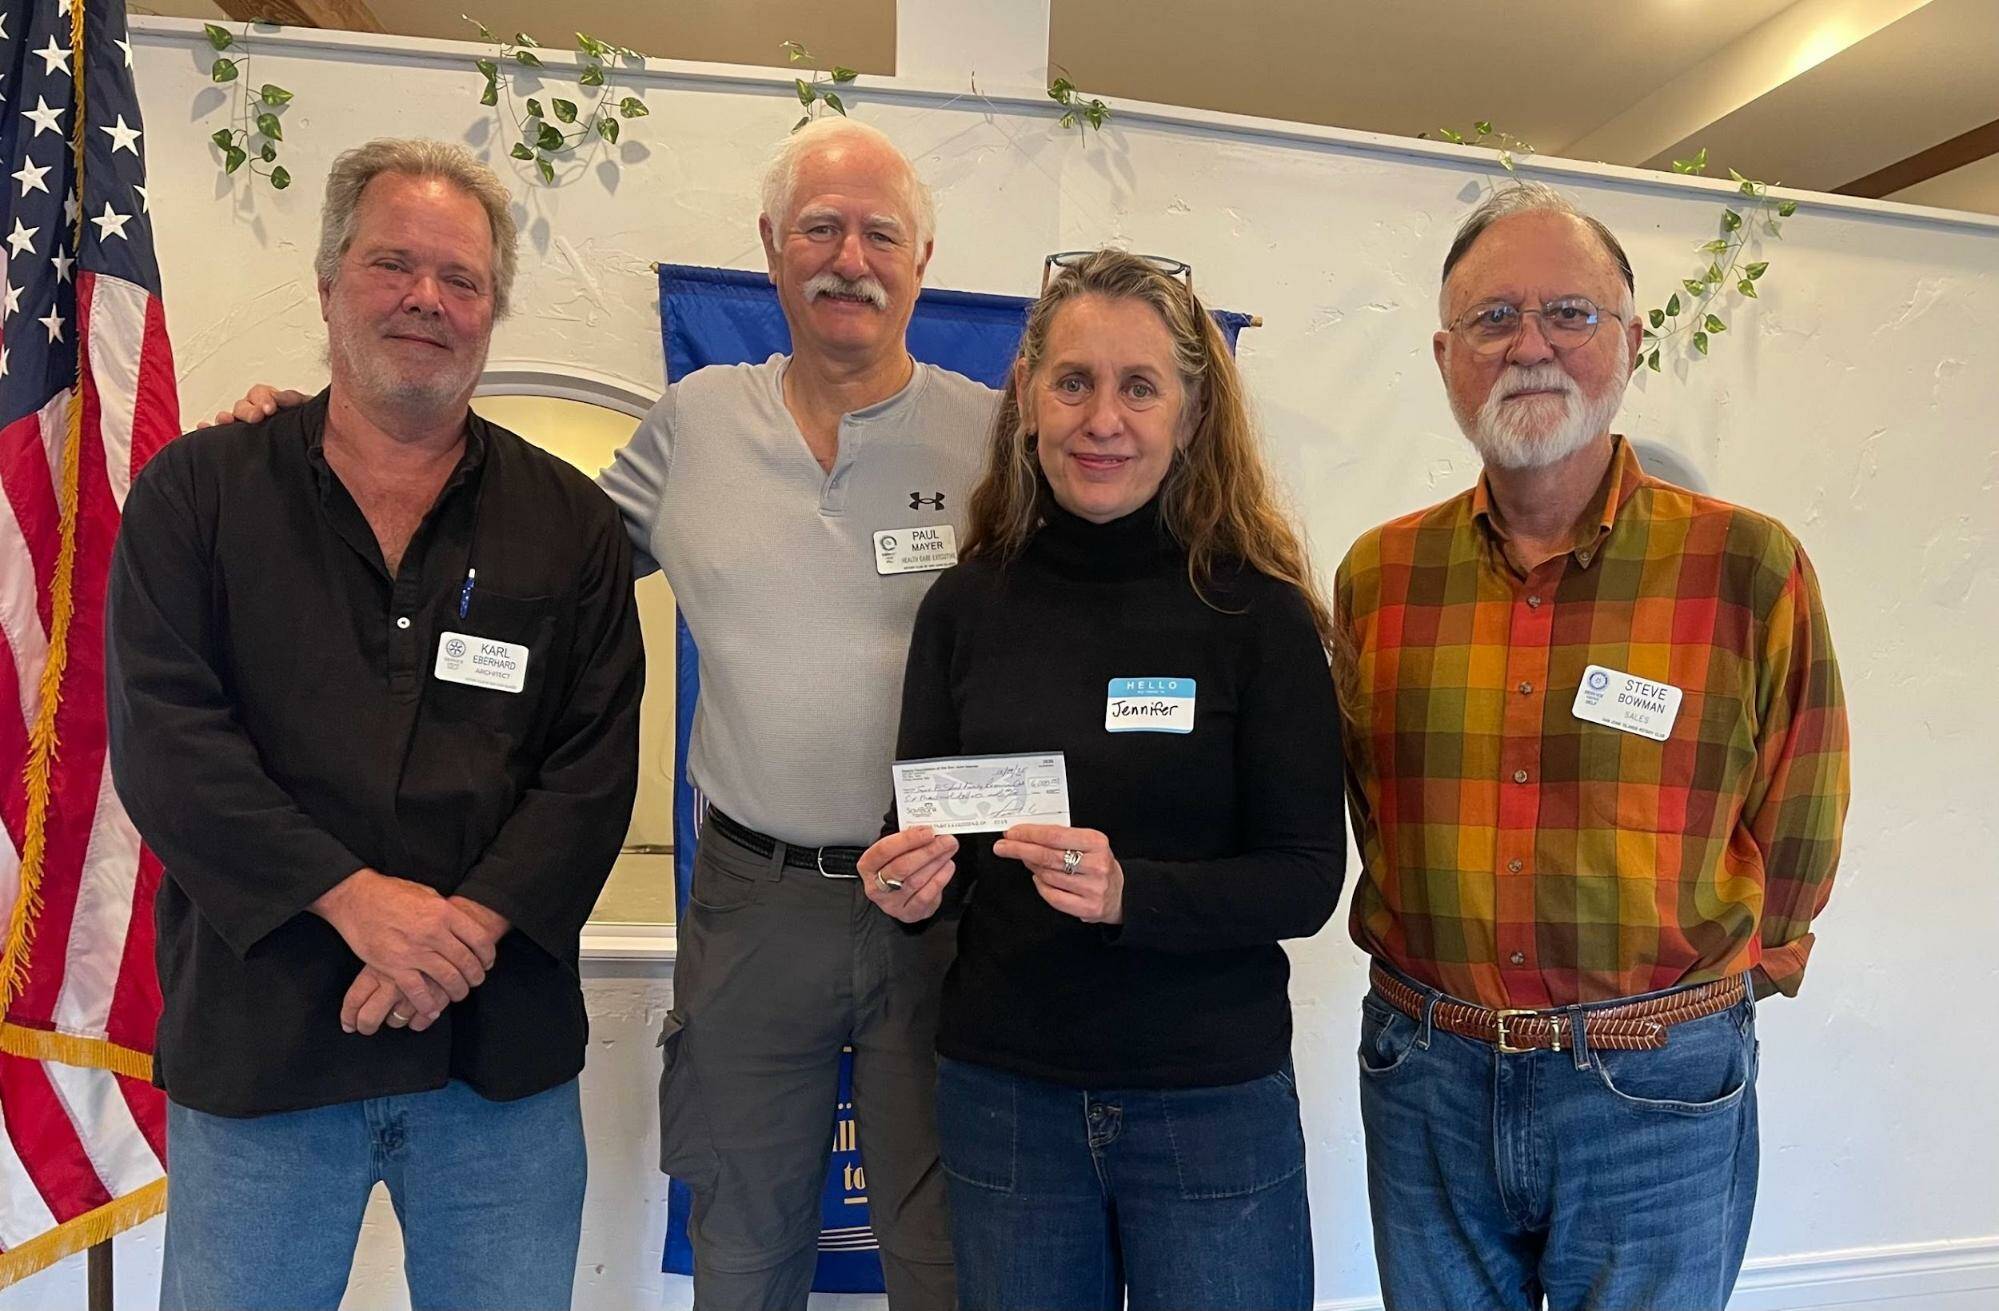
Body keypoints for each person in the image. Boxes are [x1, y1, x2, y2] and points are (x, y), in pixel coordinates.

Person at [206, 119, 992, 1311]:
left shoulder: (995, 438)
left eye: (880, 234)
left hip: (939, 895)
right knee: (744, 1232)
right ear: (771, 247)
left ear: (921, 259)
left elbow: (1080, 623)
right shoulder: (695, 424)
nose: (850, 259)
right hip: (754, 896)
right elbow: (526, 553)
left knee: (947, 1237)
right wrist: (300, 447)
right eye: (820, 229)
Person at [106, 139, 643, 1310]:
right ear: (327, 282)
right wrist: (359, 905)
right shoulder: (197, 494)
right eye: (393, 264)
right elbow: (169, 744)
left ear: (492, 308)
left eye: (461, 278)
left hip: (497, 1057)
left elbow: (592, 767)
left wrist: (458, 933)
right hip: (263, 1046)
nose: (426, 298)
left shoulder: (571, 523)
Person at [1334, 182, 1850, 1311]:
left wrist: (1726, 991)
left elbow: (1801, 800)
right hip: (1426, 1078)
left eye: (1569, 313)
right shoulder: (1379, 577)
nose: (1530, 346)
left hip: (1656, 1086)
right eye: (1492, 318)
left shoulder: (1745, 566)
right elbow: (1378, 808)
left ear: (1629, 339)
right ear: (1443, 355)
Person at [857, 248, 1347, 1311]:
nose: (1102, 420)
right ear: (1028, 397)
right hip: (1007, 1095)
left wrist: (1135, 895)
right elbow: (926, 836)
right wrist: (905, 883)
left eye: (1139, 387)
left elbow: (1307, 878)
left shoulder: (1257, 616)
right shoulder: (965, 606)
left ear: (1191, 413)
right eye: (1074, 382)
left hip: (1208, 1099)